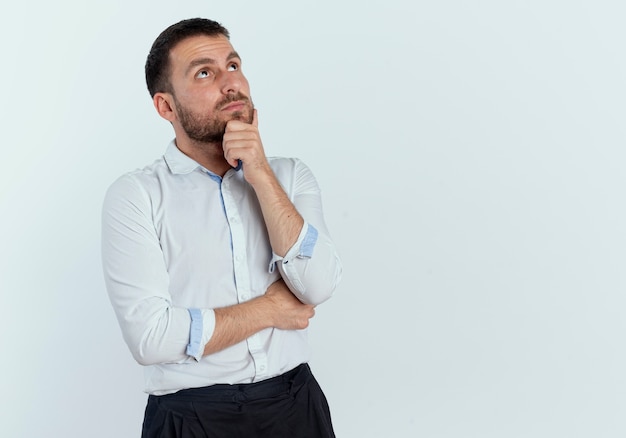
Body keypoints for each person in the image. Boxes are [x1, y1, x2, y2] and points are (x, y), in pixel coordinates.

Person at [101, 17, 342, 438]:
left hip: (295, 407)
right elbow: (151, 338)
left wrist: (261, 173)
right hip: (189, 418)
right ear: (166, 107)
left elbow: (317, 287)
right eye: (205, 73)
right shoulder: (136, 195)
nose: (230, 83)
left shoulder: (289, 176)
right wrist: (270, 309)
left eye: (233, 65)